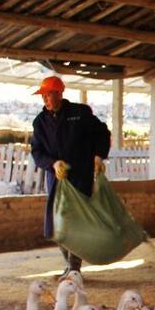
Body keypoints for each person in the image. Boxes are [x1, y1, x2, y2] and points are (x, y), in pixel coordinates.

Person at [29, 75, 112, 276]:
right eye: (43, 96)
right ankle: (69, 265)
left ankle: (74, 269)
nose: (46, 100)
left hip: (81, 176)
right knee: (58, 223)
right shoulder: (40, 122)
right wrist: (53, 163)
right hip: (56, 178)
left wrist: (99, 156)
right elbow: (37, 151)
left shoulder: (80, 113)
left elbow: (102, 133)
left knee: (77, 222)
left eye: (49, 95)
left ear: (59, 93)